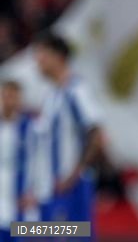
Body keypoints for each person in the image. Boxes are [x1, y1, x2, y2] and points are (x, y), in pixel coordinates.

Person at [33, 31, 104, 225]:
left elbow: (97, 135)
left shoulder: (76, 90)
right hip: (50, 188)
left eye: (42, 54)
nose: (37, 60)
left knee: (75, 236)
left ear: (59, 57)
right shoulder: (50, 94)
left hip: (72, 188)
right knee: (35, 233)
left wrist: (74, 176)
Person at [0, 81, 36, 242]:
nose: (9, 101)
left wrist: (33, 190)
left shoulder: (30, 128)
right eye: (5, 96)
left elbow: (38, 161)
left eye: (13, 97)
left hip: (21, 191)